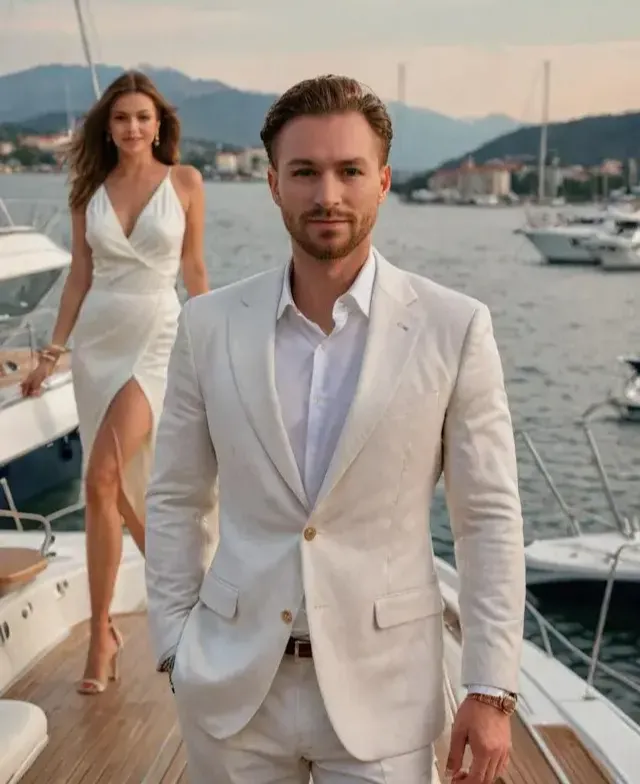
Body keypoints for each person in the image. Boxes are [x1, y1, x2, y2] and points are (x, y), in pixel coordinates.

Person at [145, 75, 525, 784]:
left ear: (382, 180)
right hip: (232, 688)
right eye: (305, 172)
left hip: (386, 693)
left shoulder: (454, 327)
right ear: (272, 184)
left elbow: (487, 519)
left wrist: (490, 687)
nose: (328, 194)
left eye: (350, 170)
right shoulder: (209, 325)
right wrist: (174, 644)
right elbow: (175, 496)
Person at [21, 70, 209, 696]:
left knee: (104, 476)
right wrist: (51, 354)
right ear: (108, 126)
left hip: (157, 335)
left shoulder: (185, 182)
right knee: (112, 490)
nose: (132, 127)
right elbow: (79, 276)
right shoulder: (89, 190)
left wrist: (214, 345)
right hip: (98, 344)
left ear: (159, 126)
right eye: (122, 118)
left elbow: (194, 269)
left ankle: (169, 610)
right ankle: (108, 630)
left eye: (143, 118)